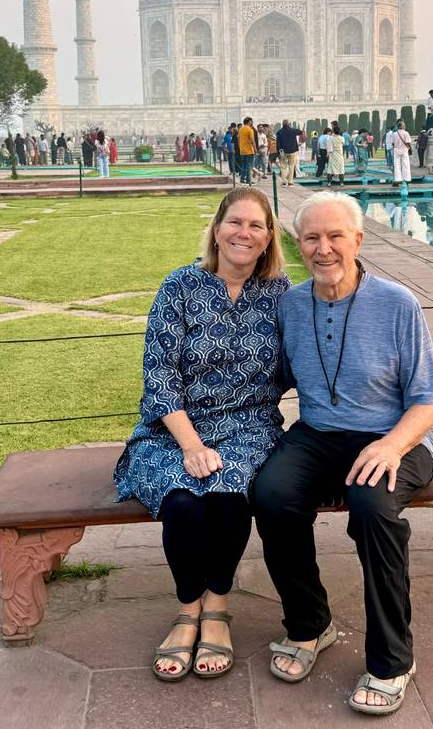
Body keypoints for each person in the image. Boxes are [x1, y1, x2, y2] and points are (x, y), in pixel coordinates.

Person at [253, 191, 433, 716]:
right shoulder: (291, 303)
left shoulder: (397, 303)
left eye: (335, 235)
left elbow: (429, 399)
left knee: (370, 506)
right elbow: (275, 378)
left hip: (395, 435)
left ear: (357, 240)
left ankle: (392, 660)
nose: (324, 248)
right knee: (270, 494)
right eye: (311, 237)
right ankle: (310, 626)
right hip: (318, 433)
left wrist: (391, 444)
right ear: (298, 244)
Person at [114, 189, 290, 682]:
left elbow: (307, 355)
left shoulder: (280, 292)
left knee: (230, 496)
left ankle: (217, 606)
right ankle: (188, 610)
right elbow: (160, 375)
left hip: (248, 426)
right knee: (185, 503)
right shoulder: (180, 286)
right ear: (217, 229)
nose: (244, 233)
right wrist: (191, 444)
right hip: (171, 429)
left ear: (268, 237)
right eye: (235, 222)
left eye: (256, 225)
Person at [277, 119, 302, 187]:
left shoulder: (279, 132)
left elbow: (278, 144)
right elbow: (300, 132)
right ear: (288, 124)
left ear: (282, 124)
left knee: (283, 166)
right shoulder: (292, 130)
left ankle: (284, 182)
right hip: (292, 151)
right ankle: (290, 182)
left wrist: (278, 153)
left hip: (283, 152)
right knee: (291, 166)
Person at [392, 119, 412, 183]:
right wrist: (410, 149)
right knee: (405, 165)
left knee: (397, 166)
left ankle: (398, 179)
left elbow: (393, 143)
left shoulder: (394, 134)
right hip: (404, 151)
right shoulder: (406, 133)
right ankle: (406, 179)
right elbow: (408, 142)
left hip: (397, 151)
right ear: (403, 126)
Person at [238, 117, 256, 185]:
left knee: (243, 165)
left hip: (242, 150)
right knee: (249, 166)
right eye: (251, 121)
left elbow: (239, 139)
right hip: (249, 151)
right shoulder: (250, 129)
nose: (251, 123)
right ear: (249, 122)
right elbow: (252, 140)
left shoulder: (240, 129)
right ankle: (248, 180)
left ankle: (242, 179)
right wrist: (255, 149)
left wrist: (240, 147)